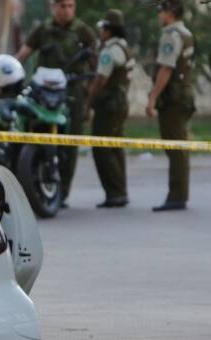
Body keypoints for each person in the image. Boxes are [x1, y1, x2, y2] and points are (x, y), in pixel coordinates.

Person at [16, 0, 96, 207]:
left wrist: (91, 92)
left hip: (72, 91)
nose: (67, 10)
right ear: (54, 7)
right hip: (43, 91)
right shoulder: (43, 29)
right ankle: (32, 183)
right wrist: (11, 71)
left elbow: (95, 62)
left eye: (70, 6)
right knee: (33, 133)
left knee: (70, 142)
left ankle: (63, 192)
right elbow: (24, 53)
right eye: (62, 6)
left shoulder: (83, 31)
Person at [147, 0, 195, 212]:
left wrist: (152, 98)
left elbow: (166, 69)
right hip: (183, 95)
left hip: (173, 100)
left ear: (171, 12)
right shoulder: (186, 33)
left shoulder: (171, 35)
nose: (159, 15)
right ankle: (179, 194)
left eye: (162, 11)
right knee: (179, 147)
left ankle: (176, 196)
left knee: (175, 148)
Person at [88, 10, 134, 209]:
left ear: (109, 30)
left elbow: (101, 79)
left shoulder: (109, 51)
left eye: (103, 29)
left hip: (109, 106)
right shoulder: (125, 47)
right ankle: (120, 192)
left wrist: (89, 102)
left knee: (102, 148)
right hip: (120, 104)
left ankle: (115, 193)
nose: (101, 33)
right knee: (115, 148)